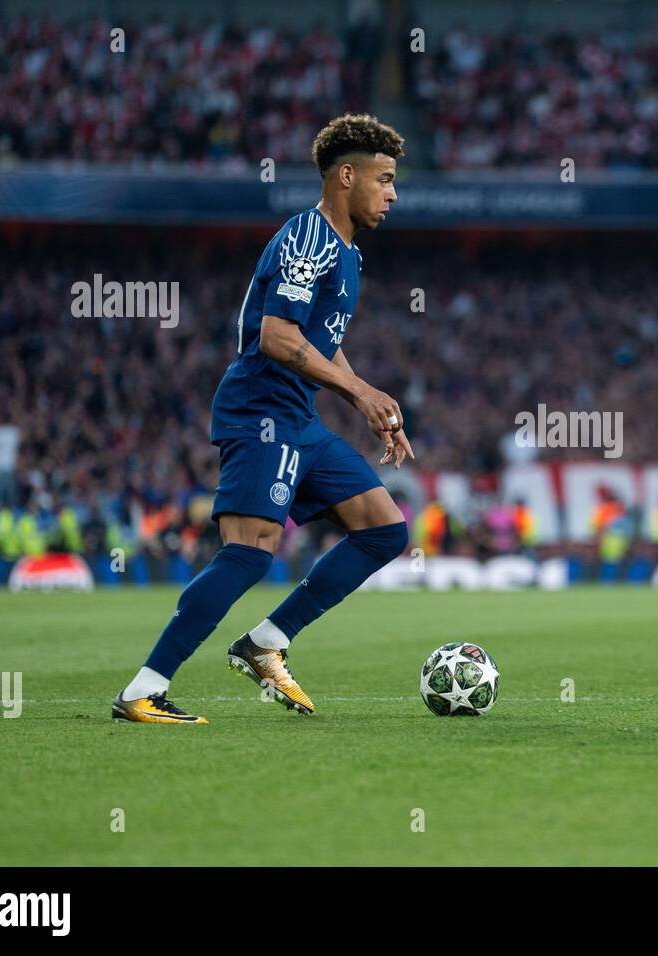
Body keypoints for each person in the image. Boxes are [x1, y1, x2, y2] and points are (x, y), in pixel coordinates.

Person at [112, 114, 413, 724]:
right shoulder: (309, 235)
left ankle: (267, 642)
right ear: (345, 175)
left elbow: (318, 339)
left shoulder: (349, 253)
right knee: (251, 552)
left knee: (385, 530)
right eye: (383, 179)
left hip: (299, 417)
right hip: (261, 412)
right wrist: (359, 393)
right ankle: (142, 690)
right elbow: (276, 336)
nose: (392, 193)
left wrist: (370, 406)